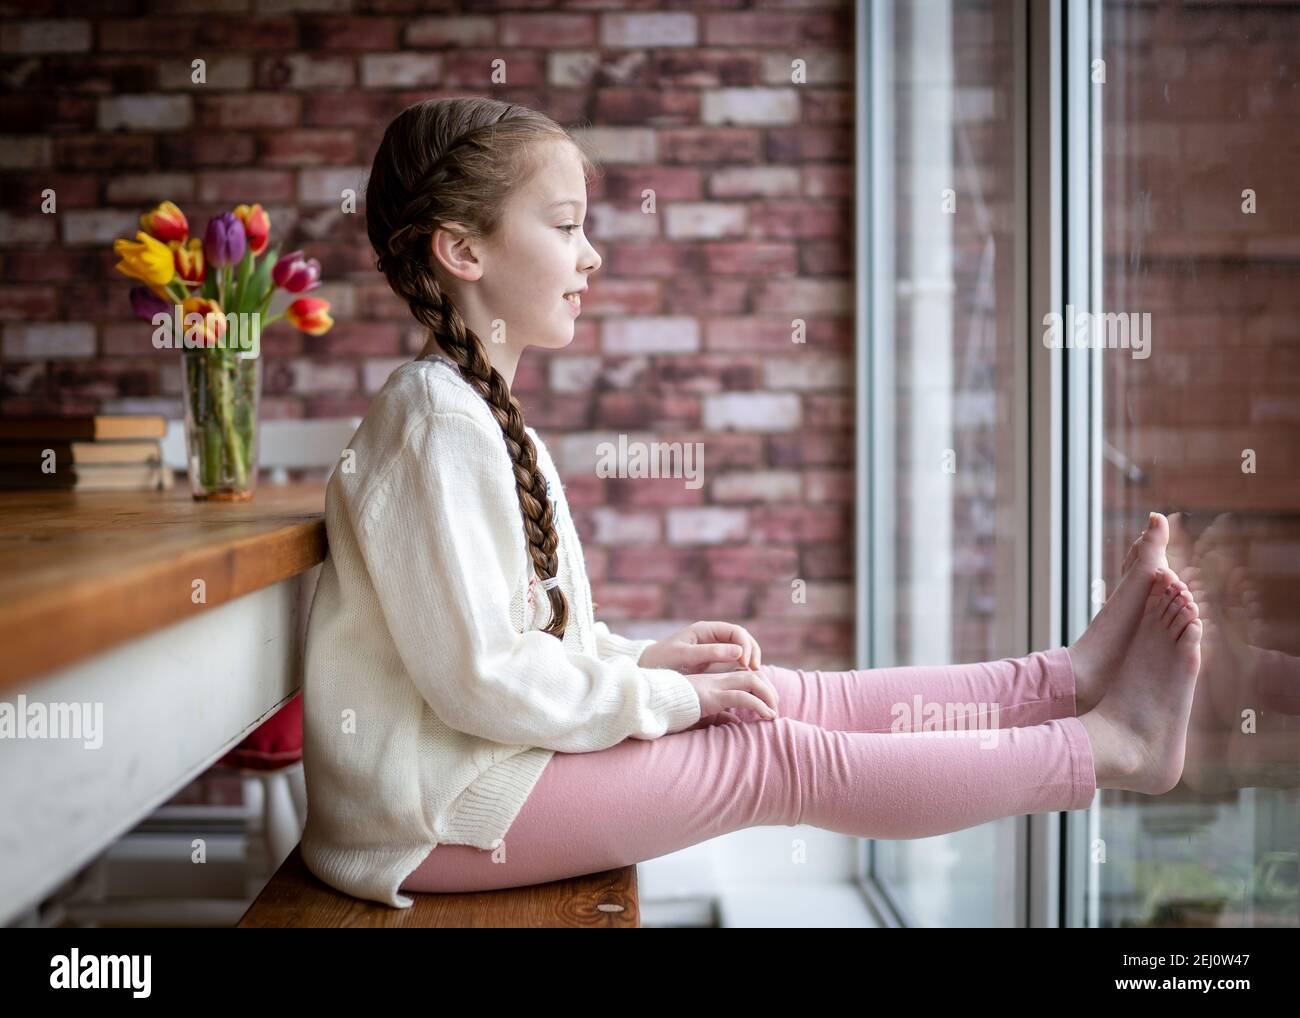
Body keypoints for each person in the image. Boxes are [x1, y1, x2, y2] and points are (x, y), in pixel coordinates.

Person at [299, 97, 1202, 909]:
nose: (592, 255)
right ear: (463, 250)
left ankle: (1067, 681)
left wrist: (647, 659)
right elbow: (482, 679)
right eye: (567, 226)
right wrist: (663, 695)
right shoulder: (434, 423)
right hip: (431, 810)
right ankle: (1109, 751)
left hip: (475, 766)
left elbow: (515, 642)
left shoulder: (478, 417)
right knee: (770, 754)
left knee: (781, 697)